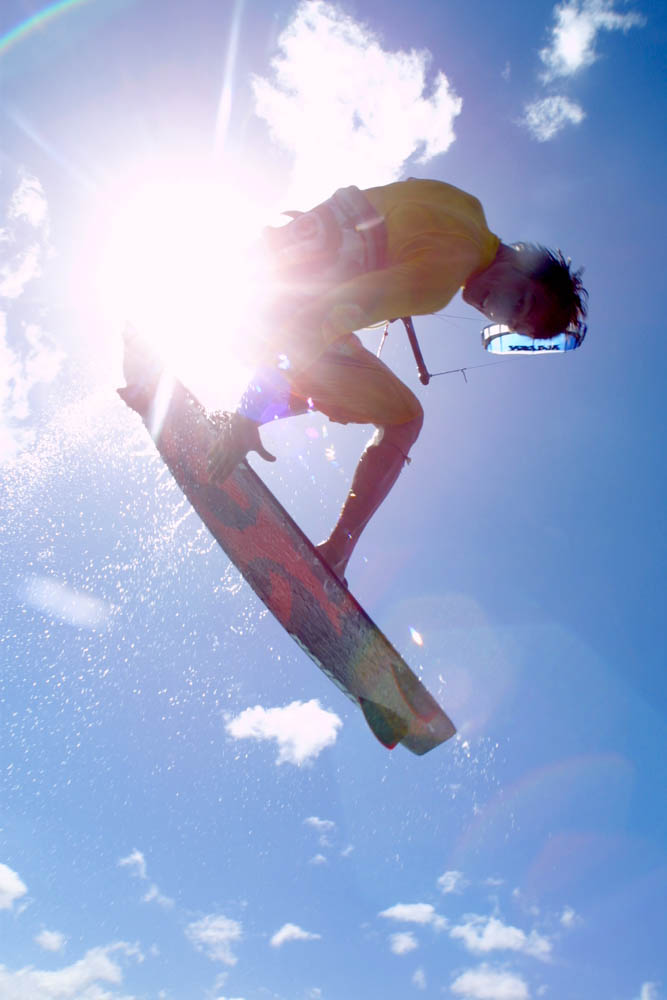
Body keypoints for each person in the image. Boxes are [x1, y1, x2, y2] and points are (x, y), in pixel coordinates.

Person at [208, 178, 587, 582]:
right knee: (405, 418)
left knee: (342, 358)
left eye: (509, 320)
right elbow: (315, 321)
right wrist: (248, 410)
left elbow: (384, 214)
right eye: (519, 300)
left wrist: (388, 267)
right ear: (526, 261)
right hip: (262, 321)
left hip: (239, 279)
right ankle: (335, 555)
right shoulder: (439, 278)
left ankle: (244, 417)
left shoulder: (468, 207)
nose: (495, 309)